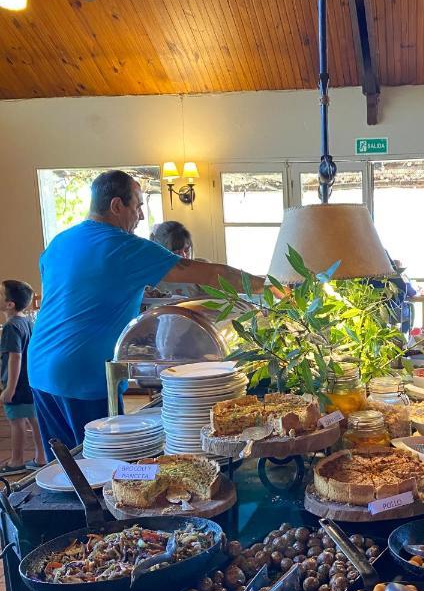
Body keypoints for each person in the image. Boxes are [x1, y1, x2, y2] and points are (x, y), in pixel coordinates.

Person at [28, 170, 265, 452]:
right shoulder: (123, 246)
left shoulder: (60, 242)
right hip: (81, 372)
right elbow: (211, 274)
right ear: (117, 206)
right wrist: (273, 286)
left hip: (39, 365)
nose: (141, 216)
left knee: (65, 464)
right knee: (98, 463)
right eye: (138, 205)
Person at [0, 280, 47, 473]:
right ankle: (42, 457)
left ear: (10, 304)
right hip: (29, 382)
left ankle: (16, 461)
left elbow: (15, 356)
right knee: (33, 420)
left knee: (16, 422)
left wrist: (9, 388)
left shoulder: (11, 327)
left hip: (17, 384)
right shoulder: (27, 322)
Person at [146, 221, 204, 301]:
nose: (183, 256)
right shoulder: (150, 279)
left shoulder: (201, 267)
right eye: (176, 252)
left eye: (187, 250)